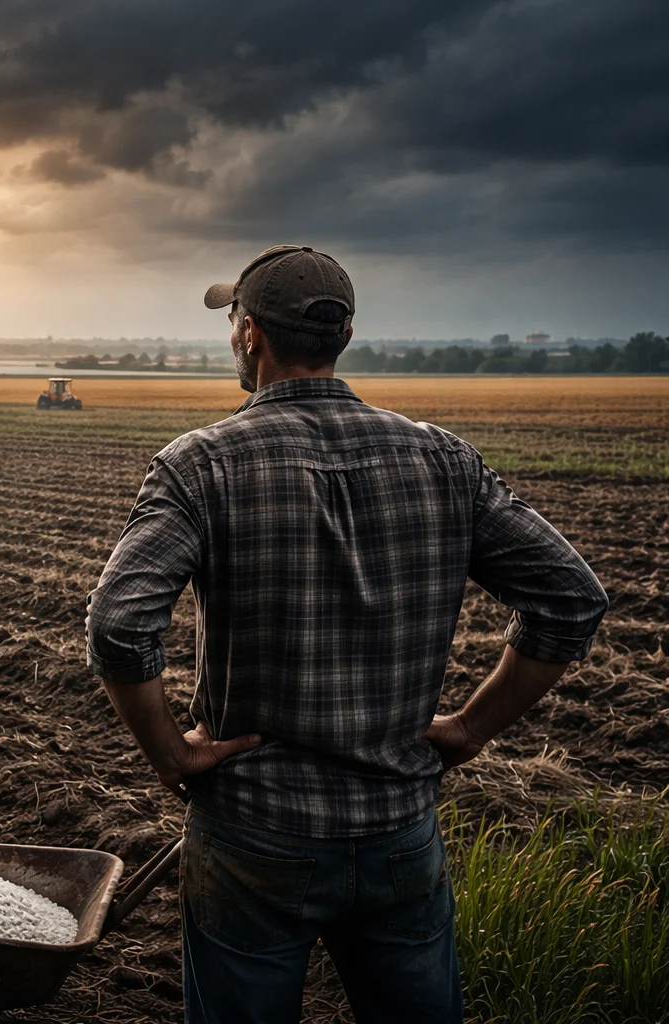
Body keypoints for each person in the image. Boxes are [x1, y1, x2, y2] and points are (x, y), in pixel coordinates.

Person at [85, 245, 608, 1024]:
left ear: (251, 335)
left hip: (252, 834)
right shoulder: (443, 459)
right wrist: (466, 730)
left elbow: (119, 624)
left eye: (233, 318)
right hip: (400, 831)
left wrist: (173, 754)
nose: (233, 333)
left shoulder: (201, 465)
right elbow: (571, 598)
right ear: (343, 334)